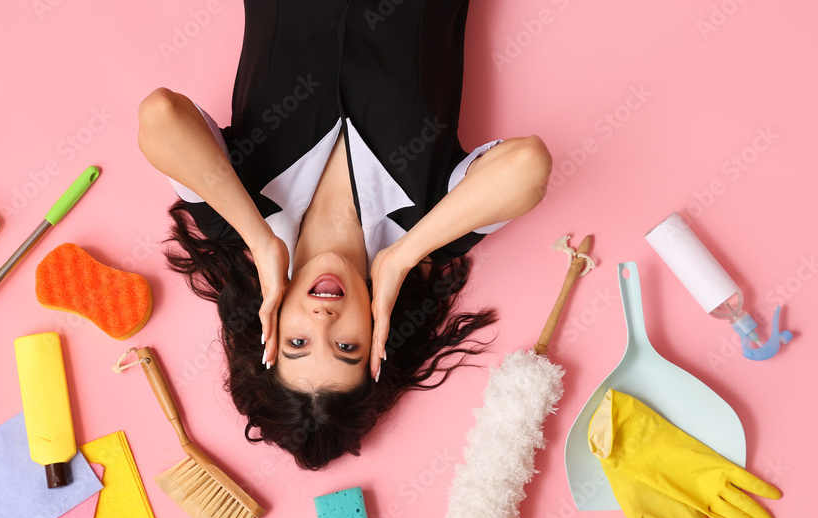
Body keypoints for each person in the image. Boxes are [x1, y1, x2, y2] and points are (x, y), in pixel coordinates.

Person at [138, 0, 552, 469]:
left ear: (266, 332)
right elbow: (529, 166)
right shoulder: (431, 227)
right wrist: (400, 257)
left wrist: (258, 237)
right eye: (346, 347)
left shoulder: (236, 218)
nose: (322, 319)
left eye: (297, 343)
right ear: (378, 336)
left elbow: (160, 116)